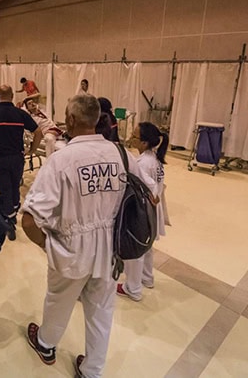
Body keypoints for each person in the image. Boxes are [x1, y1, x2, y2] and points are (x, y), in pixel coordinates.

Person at [21, 94, 153, 378]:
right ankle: (92, 370)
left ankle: (46, 344)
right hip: (110, 249)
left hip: (70, 248)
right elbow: (148, 194)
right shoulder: (121, 154)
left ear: (70, 120)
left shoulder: (61, 160)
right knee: (101, 310)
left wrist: (47, 244)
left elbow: (29, 220)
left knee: (59, 300)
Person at [0, 85, 42, 240]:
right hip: (17, 158)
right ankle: (13, 213)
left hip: (0, 158)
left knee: (5, 190)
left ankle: (9, 221)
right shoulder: (20, 114)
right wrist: (32, 150)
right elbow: (38, 132)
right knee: (15, 187)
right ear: (12, 96)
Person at [117, 122, 168, 301]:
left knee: (136, 247)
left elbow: (147, 187)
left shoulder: (143, 163)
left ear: (144, 142)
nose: (131, 137)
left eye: (135, 135)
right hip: (152, 210)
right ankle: (147, 277)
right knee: (147, 246)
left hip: (142, 210)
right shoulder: (154, 159)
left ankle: (132, 287)